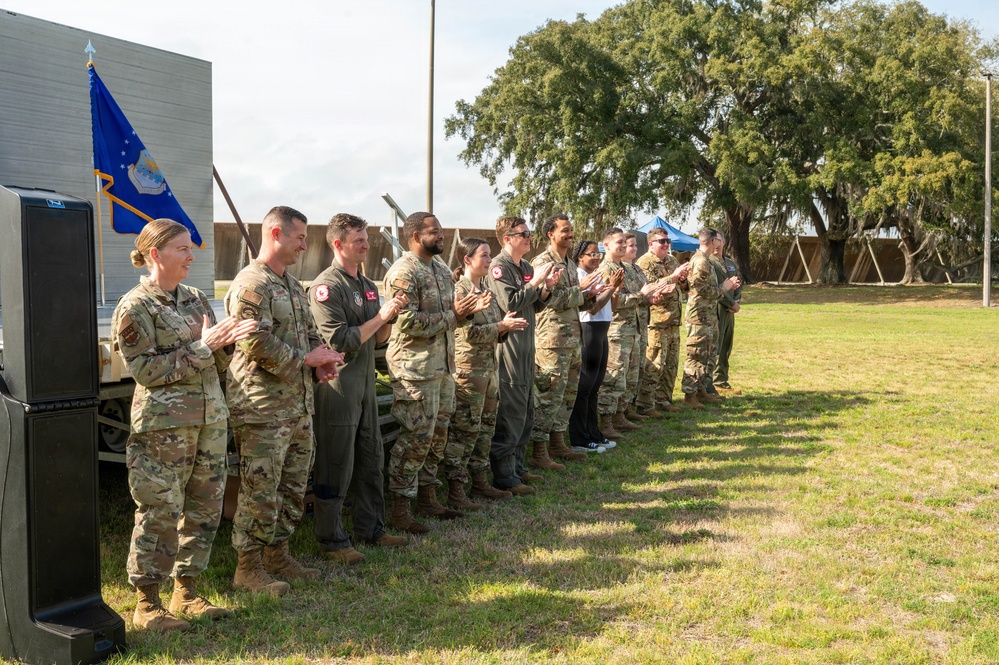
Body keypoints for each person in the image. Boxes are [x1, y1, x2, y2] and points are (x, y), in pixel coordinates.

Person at [111, 218, 256, 632]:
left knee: (204, 508)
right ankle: (147, 602)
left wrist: (227, 344)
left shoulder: (194, 298)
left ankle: (186, 591)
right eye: (183, 249)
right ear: (156, 254)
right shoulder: (136, 306)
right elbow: (144, 371)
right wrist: (202, 346)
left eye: (191, 249)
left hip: (210, 419)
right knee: (159, 509)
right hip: (164, 427)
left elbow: (213, 358)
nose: (192, 256)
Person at [226, 205, 344, 596]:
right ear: (276, 234)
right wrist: (303, 360)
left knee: (292, 486)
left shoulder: (293, 286)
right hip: (262, 407)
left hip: (297, 404)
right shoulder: (251, 284)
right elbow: (252, 339)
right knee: (260, 488)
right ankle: (248, 567)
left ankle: (278, 554)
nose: (303, 245)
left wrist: (322, 361)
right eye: (299, 237)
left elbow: (309, 333)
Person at [309, 213, 409, 565]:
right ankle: (332, 539)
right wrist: (380, 318)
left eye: (366, 238)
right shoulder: (327, 286)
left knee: (371, 456)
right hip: (339, 385)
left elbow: (377, 338)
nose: (367, 245)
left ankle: (371, 528)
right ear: (338, 244)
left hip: (365, 381)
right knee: (336, 461)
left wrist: (390, 316)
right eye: (359, 240)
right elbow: (341, 340)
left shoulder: (366, 283)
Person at [383, 212, 484, 532]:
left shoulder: (440, 269)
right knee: (416, 438)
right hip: (415, 371)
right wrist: (454, 315)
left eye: (440, 231)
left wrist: (466, 313)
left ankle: (428, 497)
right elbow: (405, 322)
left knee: (437, 438)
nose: (441, 236)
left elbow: (454, 316)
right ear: (414, 236)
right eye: (434, 232)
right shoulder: (404, 272)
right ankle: (400, 508)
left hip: (442, 369)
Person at [444, 237, 529, 508]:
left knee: (484, 429)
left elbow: (493, 327)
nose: (489, 260)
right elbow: (466, 333)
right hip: (469, 373)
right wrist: (501, 328)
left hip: (489, 370)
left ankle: (480, 482)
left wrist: (503, 328)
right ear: (467, 260)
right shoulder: (460, 291)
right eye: (483, 255)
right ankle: (457, 490)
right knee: (464, 431)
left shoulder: (485, 290)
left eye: (490, 254)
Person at [485, 216, 558, 494]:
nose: (529, 237)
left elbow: (532, 307)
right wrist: (534, 283)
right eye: (523, 233)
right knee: (512, 410)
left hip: (527, 345)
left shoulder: (526, 266)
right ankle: (504, 475)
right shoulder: (498, 267)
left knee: (527, 409)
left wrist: (545, 288)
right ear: (507, 239)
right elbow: (510, 303)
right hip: (509, 346)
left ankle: (518, 467)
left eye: (529, 232)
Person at [529, 214, 602, 468]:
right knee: (549, 395)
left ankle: (558, 443)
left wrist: (590, 295)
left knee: (568, 394)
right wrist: (581, 291)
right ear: (551, 234)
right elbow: (546, 299)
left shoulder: (569, 263)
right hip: (552, 340)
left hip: (572, 338)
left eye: (571, 230)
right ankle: (539, 451)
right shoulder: (542, 262)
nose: (570, 235)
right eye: (565, 231)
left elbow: (577, 300)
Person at [596, 228, 663, 439]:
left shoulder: (623, 267)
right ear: (606, 245)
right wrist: (641, 295)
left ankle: (620, 416)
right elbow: (614, 302)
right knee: (613, 377)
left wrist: (649, 295)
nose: (624, 246)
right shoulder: (605, 269)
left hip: (633, 329)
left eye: (625, 243)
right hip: (617, 331)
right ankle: (605, 422)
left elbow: (635, 296)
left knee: (629, 376)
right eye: (620, 243)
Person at [568, 239, 621, 452]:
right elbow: (592, 308)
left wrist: (615, 289)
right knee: (585, 385)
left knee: (595, 385)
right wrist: (611, 289)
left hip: (602, 329)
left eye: (597, 253)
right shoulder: (580, 277)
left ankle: (593, 432)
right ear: (580, 257)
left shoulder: (599, 274)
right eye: (591, 254)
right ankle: (580, 437)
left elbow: (612, 306)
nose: (596, 257)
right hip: (589, 328)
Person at [680, 227, 741, 409]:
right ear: (713, 241)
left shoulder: (705, 260)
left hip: (708, 316)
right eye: (718, 240)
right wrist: (725, 287)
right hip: (698, 317)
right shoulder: (701, 262)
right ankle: (690, 395)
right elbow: (702, 290)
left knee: (707, 356)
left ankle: (702, 391)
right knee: (696, 356)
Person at [635, 228, 689, 416]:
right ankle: (645, 404)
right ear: (651, 244)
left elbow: (683, 287)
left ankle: (663, 399)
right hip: (657, 321)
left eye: (668, 241)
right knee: (654, 364)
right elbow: (649, 288)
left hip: (673, 320)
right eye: (662, 241)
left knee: (671, 364)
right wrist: (673, 277)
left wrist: (682, 279)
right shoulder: (644, 262)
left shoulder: (672, 260)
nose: (666, 244)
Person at [623, 232, 651, 423]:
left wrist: (651, 296)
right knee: (624, 372)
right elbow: (620, 299)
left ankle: (628, 408)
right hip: (625, 327)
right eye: (630, 245)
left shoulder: (637, 269)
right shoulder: (620, 270)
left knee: (637, 369)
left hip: (640, 324)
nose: (634, 249)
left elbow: (644, 293)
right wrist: (643, 295)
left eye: (635, 245)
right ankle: (619, 413)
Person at [712, 237, 743, 394]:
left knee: (726, 345)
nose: (717, 244)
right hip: (716, 308)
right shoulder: (708, 263)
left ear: (724, 242)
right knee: (715, 345)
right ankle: (713, 381)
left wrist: (737, 299)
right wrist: (731, 303)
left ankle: (722, 380)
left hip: (730, 311)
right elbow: (713, 289)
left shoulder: (730, 263)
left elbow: (737, 284)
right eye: (714, 240)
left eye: (720, 240)